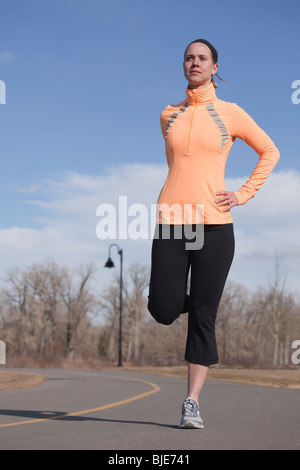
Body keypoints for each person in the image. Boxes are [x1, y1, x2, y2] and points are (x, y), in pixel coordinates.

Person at [147, 39, 280, 429]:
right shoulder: (168, 115)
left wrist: (241, 194)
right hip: (174, 220)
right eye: (189, 57)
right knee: (164, 309)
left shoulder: (230, 112)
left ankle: (191, 402)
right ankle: (169, 293)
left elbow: (269, 151)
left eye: (202, 58)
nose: (195, 62)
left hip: (215, 224)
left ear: (215, 67)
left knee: (204, 315)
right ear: (183, 65)